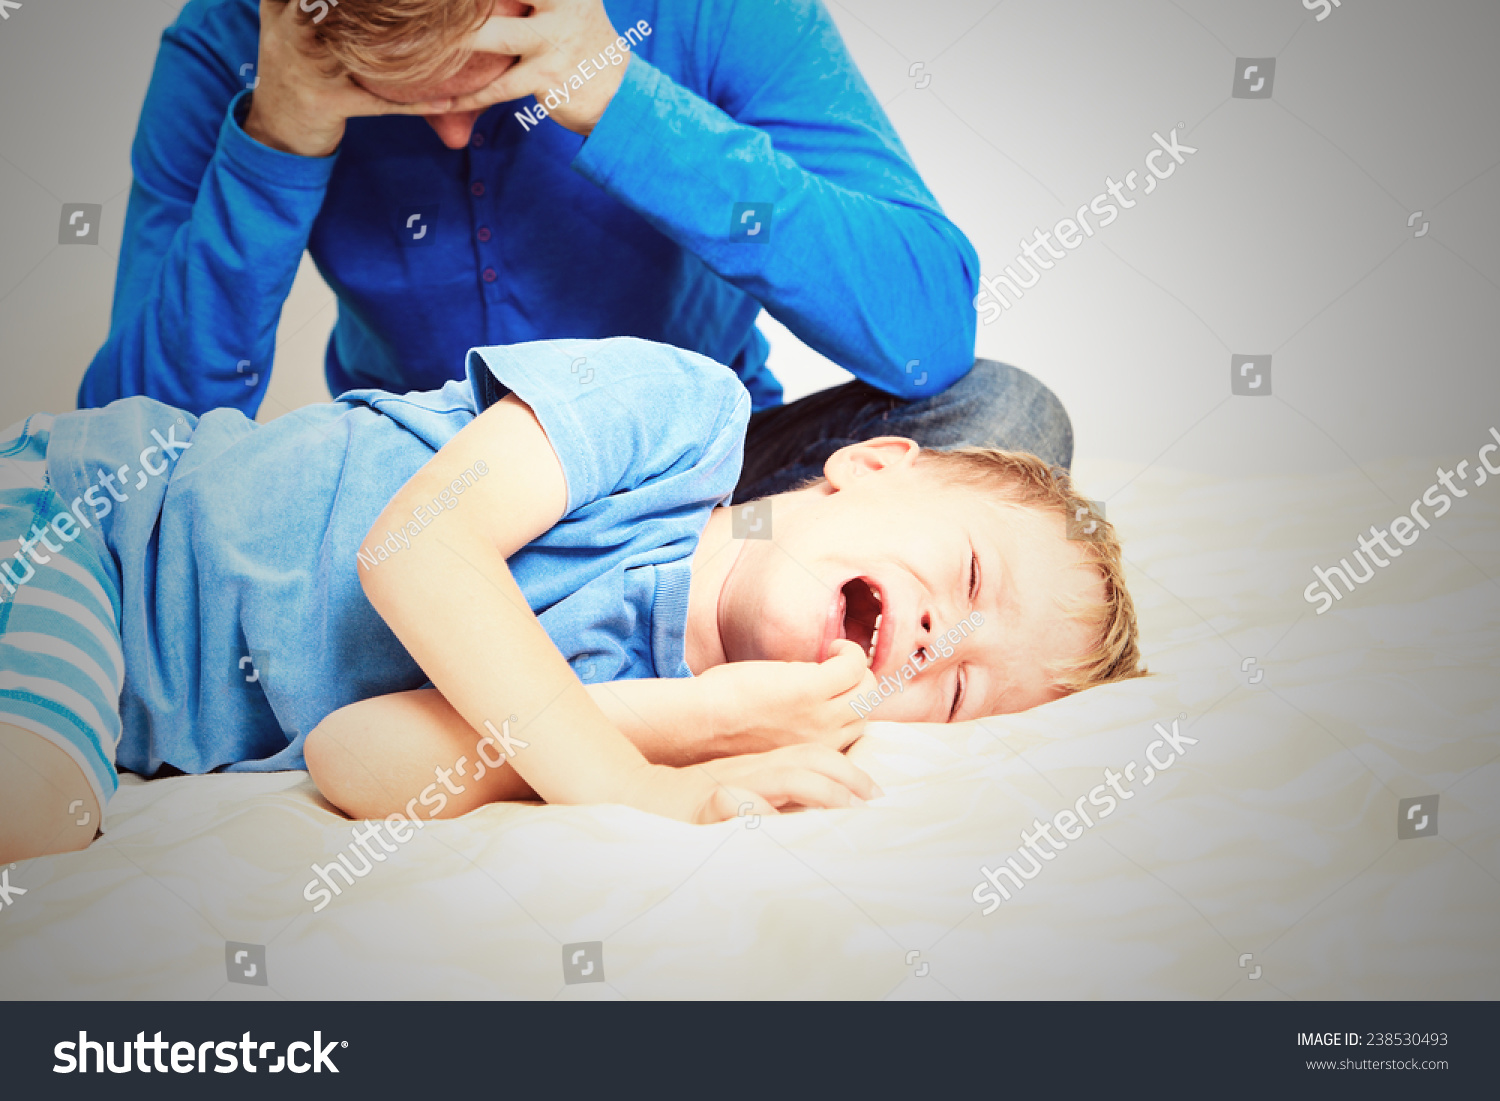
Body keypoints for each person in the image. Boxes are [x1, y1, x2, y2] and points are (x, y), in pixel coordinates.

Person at [1, 337, 1142, 863]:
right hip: (92, 526)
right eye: (975, 578)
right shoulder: (679, 419)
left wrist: (696, 729)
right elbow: (413, 548)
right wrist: (625, 785)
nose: (944, 645)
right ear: (874, 462)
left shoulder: (670, 711)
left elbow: (353, 759)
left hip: (124, 700)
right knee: (38, 804)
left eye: (956, 701)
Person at [76, 0, 1073, 501]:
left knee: (1003, 418)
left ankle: (549, 633)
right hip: (420, 502)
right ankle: (627, 628)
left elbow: (928, 329)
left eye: (497, 77)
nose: (455, 133)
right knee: (126, 537)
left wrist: (624, 102)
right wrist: (278, 135)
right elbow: (132, 459)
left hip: (697, 492)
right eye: (399, 99)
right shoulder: (234, 49)